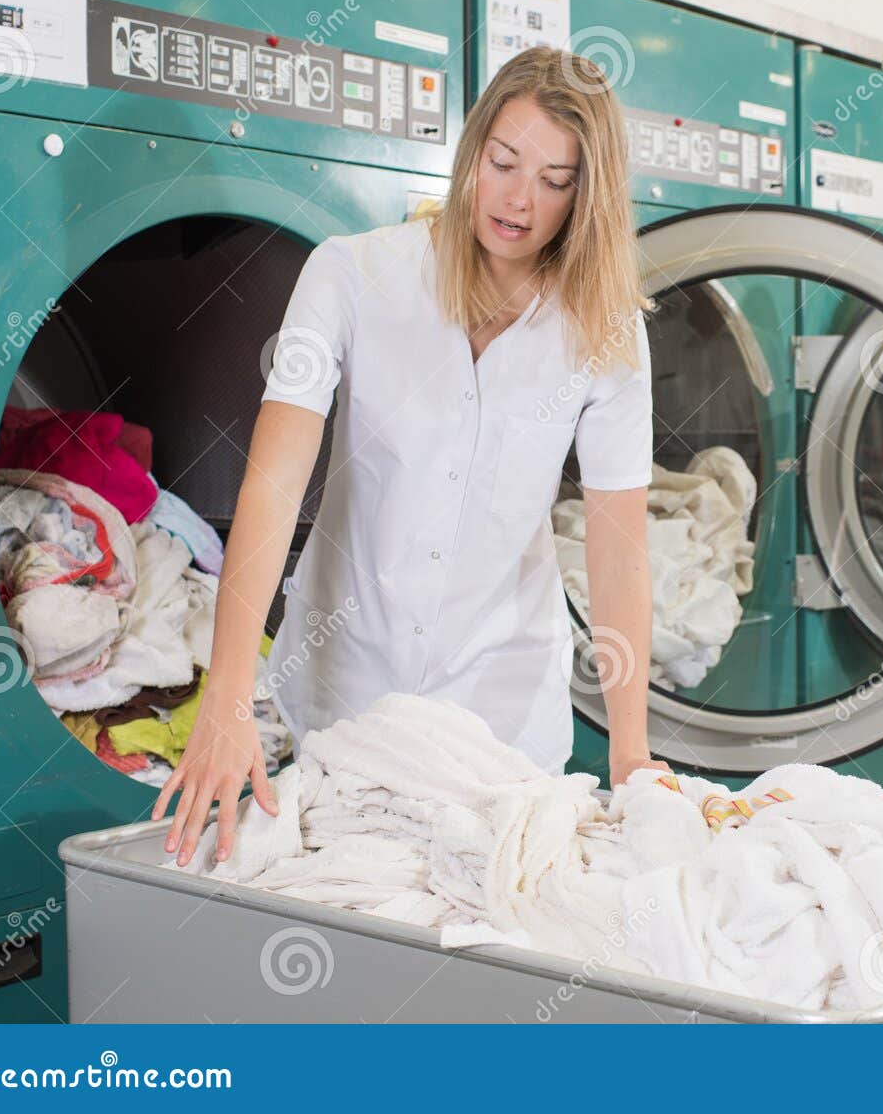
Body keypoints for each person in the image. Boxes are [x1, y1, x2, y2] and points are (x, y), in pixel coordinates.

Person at [154, 47, 667, 866]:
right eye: (502, 162)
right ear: (472, 154)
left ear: (587, 194)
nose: (517, 199)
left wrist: (631, 751)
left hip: (503, 709)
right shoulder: (353, 274)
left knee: (485, 942)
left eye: (554, 179)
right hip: (346, 689)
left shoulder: (606, 329)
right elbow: (276, 477)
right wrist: (226, 694)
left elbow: (617, 546)